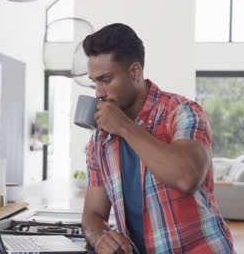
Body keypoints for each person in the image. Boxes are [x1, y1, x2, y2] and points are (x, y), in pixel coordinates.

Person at [81, 23, 235, 254]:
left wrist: (124, 126)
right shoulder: (99, 141)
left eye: (106, 80)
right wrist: (98, 237)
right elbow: (93, 214)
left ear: (135, 72)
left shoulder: (183, 113)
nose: (99, 93)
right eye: (95, 82)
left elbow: (186, 177)